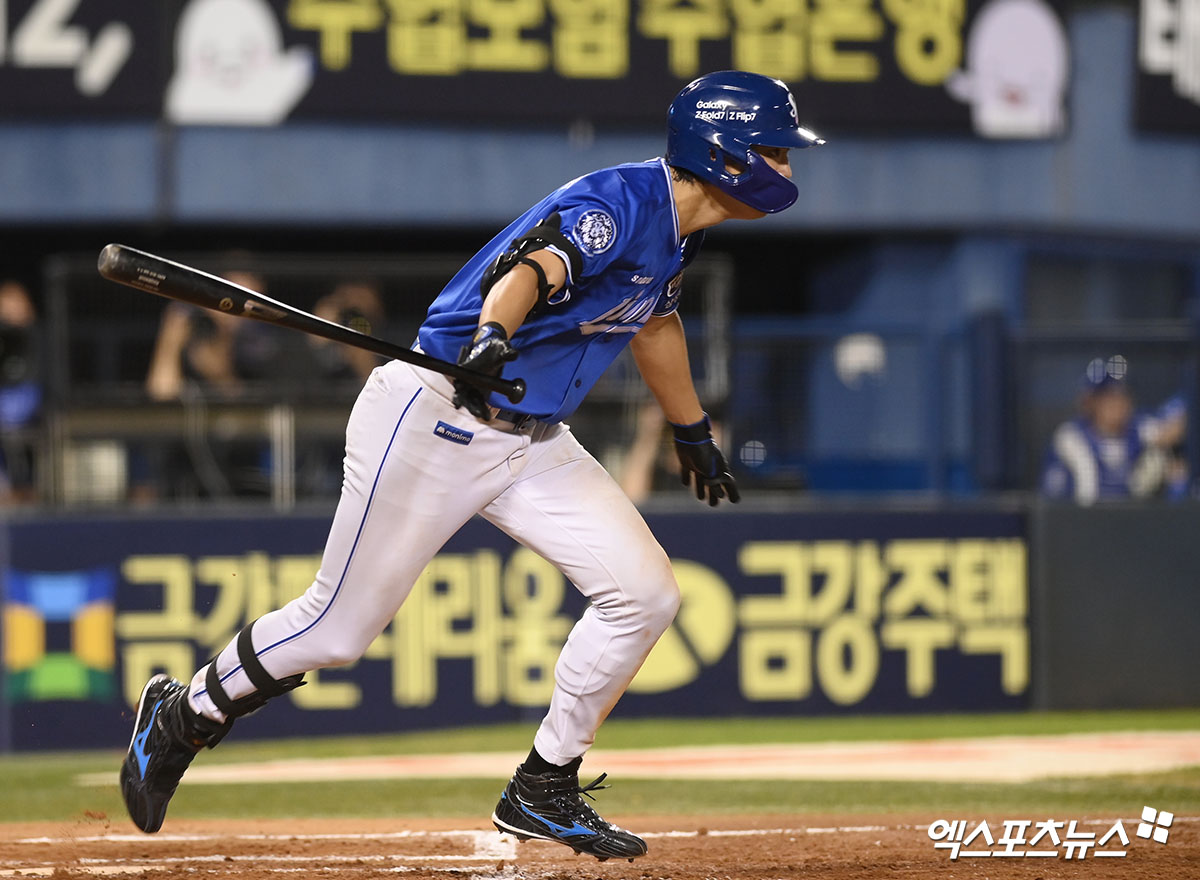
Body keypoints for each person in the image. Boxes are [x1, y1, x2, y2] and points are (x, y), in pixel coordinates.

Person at [119, 71, 824, 859]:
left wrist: (689, 427)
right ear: (725, 155)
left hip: (531, 441)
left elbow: (654, 323)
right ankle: (185, 714)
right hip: (434, 418)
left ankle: (543, 786)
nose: (787, 168)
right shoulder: (616, 204)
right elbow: (530, 269)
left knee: (645, 593)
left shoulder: (678, 228)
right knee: (337, 630)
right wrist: (492, 335)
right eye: (775, 150)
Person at [1040, 355, 1187, 504]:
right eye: (1108, 397)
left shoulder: (1138, 427)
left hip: (1135, 521)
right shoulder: (1070, 436)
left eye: (1121, 395)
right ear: (1090, 402)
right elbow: (1055, 501)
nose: (1117, 403)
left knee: (1177, 473)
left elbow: (1170, 429)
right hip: (1084, 521)